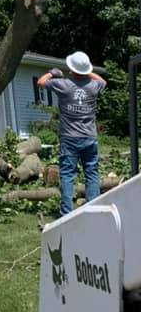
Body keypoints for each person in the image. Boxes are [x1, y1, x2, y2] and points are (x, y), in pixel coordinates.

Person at [37, 51, 107, 216]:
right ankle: (93, 208)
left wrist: (52, 73)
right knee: (91, 172)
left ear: (72, 68)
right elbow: (103, 81)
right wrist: (86, 71)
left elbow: (41, 82)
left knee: (68, 175)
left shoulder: (63, 84)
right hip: (89, 137)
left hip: (69, 138)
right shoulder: (93, 85)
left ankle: (67, 213)